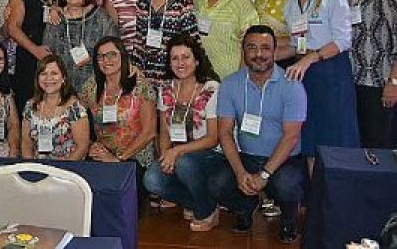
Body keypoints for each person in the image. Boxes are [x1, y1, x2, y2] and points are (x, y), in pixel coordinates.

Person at [209, 25, 307, 244]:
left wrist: (264, 175)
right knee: (216, 183)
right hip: (247, 156)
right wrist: (239, 172)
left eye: (265, 48)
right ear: (243, 51)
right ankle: (245, 207)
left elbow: (291, 136)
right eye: (251, 48)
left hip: (285, 159)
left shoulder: (292, 85)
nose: (258, 54)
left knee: (287, 186)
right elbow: (224, 132)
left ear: (274, 52)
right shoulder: (230, 84)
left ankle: (289, 221)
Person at [281, 0, 359, 169]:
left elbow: (343, 40)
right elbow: (297, 43)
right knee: (310, 138)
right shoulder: (290, 1)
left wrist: (309, 58)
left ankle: (336, 201)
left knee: (333, 140)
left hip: (331, 73)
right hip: (304, 75)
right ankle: (316, 200)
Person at [142, 34, 223, 232]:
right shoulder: (166, 88)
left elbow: (213, 138)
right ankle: (197, 201)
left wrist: (177, 152)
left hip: (211, 155)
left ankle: (207, 212)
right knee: (151, 179)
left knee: (185, 163)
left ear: (196, 60)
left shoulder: (211, 88)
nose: (180, 63)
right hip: (178, 156)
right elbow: (164, 133)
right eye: (175, 58)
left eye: (185, 57)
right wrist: (165, 154)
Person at [81, 36, 157, 203]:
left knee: (116, 198)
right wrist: (89, 145)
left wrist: (119, 159)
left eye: (112, 55)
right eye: (101, 56)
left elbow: (150, 132)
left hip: (134, 158)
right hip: (102, 155)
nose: (106, 60)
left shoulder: (140, 85)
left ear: (122, 56)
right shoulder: (90, 87)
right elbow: (78, 121)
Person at [338, 0, 397, 148]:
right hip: (345, 81)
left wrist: (394, 82)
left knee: (377, 147)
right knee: (350, 142)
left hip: (378, 83)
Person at [7, 0, 66, 117]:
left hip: (59, 63)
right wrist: (36, 50)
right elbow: (13, 27)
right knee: (29, 108)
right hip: (29, 60)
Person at [42, 0, 117, 93]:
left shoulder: (100, 17)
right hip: (61, 92)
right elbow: (47, 59)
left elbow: (114, 51)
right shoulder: (55, 19)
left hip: (96, 90)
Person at [135, 0, 199, 85]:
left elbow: (192, 39)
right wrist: (135, 68)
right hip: (146, 75)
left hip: (175, 73)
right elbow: (139, 40)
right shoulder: (142, 0)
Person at [20, 55, 89, 160]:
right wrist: (30, 167)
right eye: (43, 74)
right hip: (36, 169)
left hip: (67, 170)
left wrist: (61, 172)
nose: (48, 78)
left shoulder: (75, 108)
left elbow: (82, 147)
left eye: (54, 73)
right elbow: (26, 143)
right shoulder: (30, 106)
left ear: (63, 78)